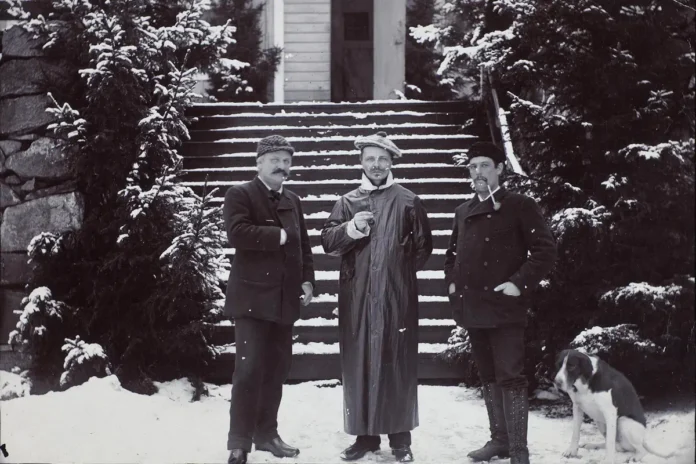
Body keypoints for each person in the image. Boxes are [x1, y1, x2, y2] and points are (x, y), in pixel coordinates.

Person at [321, 131, 433, 463]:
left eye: (383, 159)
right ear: (361, 162)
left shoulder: (408, 200)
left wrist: (397, 274)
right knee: (359, 363)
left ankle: (400, 439)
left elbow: (424, 246)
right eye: (370, 158)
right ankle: (365, 437)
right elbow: (328, 242)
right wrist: (351, 229)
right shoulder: (347, 201)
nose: (377, 165)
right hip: (356, 298)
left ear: (391, 162)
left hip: (396, 298)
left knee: (396, 362)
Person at [444, 142, 556, 464]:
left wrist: (518, 284)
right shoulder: (463, 211)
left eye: (484, 166)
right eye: (473, 167)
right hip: (473, 306)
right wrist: (452, 284)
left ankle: (519, 452)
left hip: (505, 309)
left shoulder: (520, 205)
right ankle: (499, 441)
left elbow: (546, 250)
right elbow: (452, 255)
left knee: (511, 377)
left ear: (499, 169)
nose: (477, 172)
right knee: (488, 376)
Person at [223, 135, 315, 464]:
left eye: (287, 161)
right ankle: (239, 442)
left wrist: (306, 279)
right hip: (250, 298)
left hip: (283, 300)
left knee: (276, 370)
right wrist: (275, 235)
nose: (282, 166)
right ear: (259, 162)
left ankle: (267, 434)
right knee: (248, 371)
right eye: (275, 159)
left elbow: (302, 244)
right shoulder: (241, 194)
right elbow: (236, 233)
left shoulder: (293, 200)